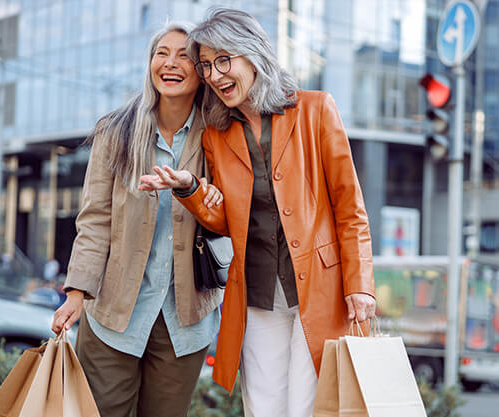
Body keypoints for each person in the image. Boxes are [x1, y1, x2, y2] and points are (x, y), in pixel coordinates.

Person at [139, 8, 376, 417]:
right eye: (207, 65)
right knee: (263, 408)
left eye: (223, 61)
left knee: (307, 405)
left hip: (320, 289)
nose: (213, 75)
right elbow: (223, 221)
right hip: (256, 292)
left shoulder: (315, 110)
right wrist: (191, 190)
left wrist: (361, 284)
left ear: (253, 55)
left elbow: (349, 207)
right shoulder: (216, 131)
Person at [51, 22, 224, 417]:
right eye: (161, 53)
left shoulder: (219, 135)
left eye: (184, 55)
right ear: (150, 64)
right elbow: (95, 220)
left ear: (201, 70)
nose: (171, 62)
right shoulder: (116, 131)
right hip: (113, 311)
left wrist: (201, 191)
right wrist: (77, 292)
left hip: (186, 318)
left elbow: (228, 216)